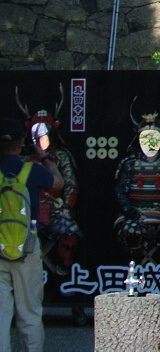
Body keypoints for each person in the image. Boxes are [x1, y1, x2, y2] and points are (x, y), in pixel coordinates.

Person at [0, 118, 61, 352]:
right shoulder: (31, 170)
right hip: (27, 246)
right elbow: (59, 182)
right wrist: (43, 156)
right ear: (21, 143)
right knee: (30, 311)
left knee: (1, 313)